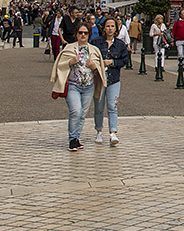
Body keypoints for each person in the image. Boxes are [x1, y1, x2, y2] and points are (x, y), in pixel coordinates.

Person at [50, 22, 106, 151]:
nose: (83, 35)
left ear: (89, 35)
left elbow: (100, 69)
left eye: (85, 33)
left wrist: (94, 67)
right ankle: (72, 139)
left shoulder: (94, 50)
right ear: (76, 34)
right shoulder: (69, 48)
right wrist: (70, 62)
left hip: (88, 86)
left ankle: (76, 137)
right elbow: (60, 64)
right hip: (73, 86)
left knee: (82, 114)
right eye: (80, 32)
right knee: (76, 111)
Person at [91, 16, 131, 146]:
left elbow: (124, 61)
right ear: (103, 28)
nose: (110, 29)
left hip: (114, 79)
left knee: (112, 106)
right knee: (99, 106)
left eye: (112, 26)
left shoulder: (120, 44)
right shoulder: (97, 42)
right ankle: (99, 131)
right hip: (99, 79)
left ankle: (113, 132)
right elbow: (91, 56)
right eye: (107, 26)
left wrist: (112, 62)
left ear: (116, 28)